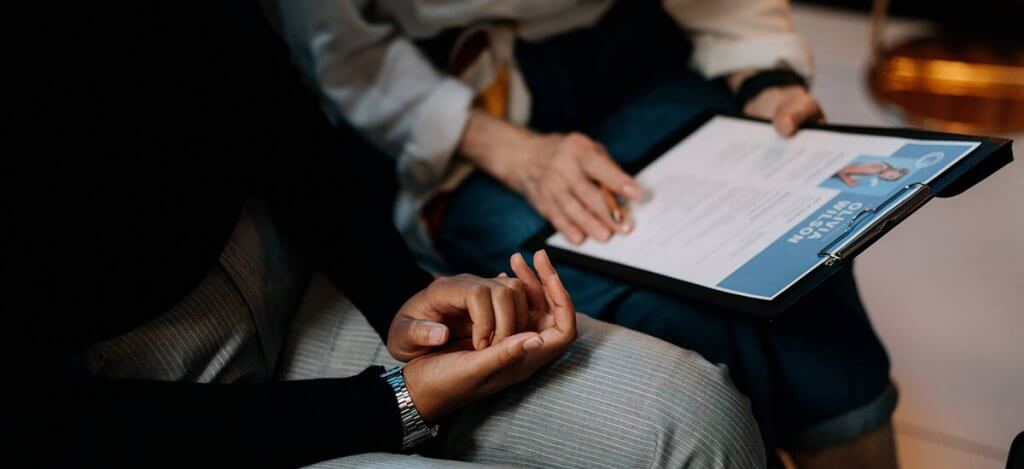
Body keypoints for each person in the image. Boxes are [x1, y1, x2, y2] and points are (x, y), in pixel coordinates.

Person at [3, 1, 764, 467]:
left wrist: (405, 294)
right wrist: (395, 402)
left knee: (697, 414)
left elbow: (269, 102)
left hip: (296, 280)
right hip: (134, 417)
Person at [272, 0, 899, 467]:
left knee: (795, 258)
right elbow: (343, 49)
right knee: (657, 305)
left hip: (629, 47)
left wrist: (766, 79)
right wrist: (514, 152)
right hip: (452, 103)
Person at [835, 162, 911, 187]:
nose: (886, 178)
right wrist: (848, 181)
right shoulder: (876, 169)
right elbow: (840, 170)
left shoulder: (878, 169)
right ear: (894, 170)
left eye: (888, 179)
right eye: (891, 176)